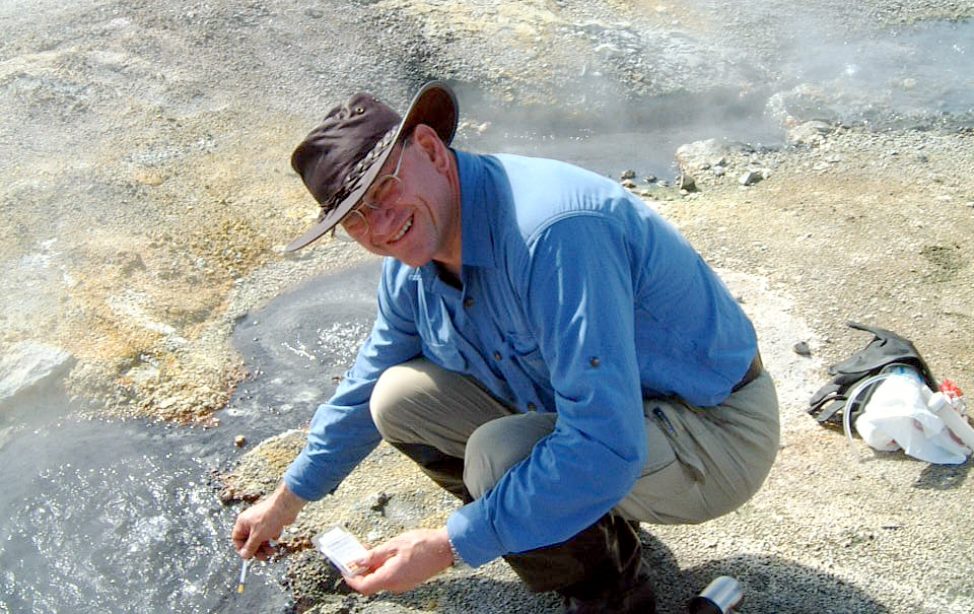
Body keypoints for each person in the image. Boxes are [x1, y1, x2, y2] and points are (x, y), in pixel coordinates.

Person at [232, 81, 780, 613]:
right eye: (354, 218)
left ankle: (611, 595)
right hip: (620, 415)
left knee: (500, 455)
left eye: (383, 189)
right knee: (394, 397)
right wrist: (284, 504)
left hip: (714, 427)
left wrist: (450, 545)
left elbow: (603, 443)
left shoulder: (554, 233)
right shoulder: (414, 265)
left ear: (429, 149)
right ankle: (590, 533)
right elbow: (361, 389)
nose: (379, 225)